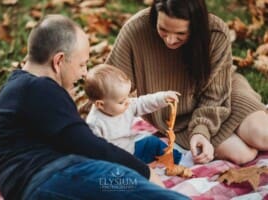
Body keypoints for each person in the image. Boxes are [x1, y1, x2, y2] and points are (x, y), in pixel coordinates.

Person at [0, 14, 189, 200]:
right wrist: (145, 172)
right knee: (125, 182)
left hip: (28, 186)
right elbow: (88, 145)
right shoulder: (40, 88)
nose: (84, 74)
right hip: (51, 177)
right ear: (59, 61)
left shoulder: (19, 87)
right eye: (82, 64)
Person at [106, 0, 268, 165]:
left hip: (224, 93)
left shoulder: (215, 33)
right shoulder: (136, 30)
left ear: (196, 26)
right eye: (163, 29)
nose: (170, 40)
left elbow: (216, 93)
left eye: (180, 34)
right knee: (241, 154)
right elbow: (109, 84)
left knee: (262, 135)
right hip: (177, 116)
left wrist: (201, 130)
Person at [84, 64, 182, 164]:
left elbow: (143, 102)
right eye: (121, 101)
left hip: (132, 150)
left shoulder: (125, 104)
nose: (128, 102)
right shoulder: (95, 124)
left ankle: (180, 160)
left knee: (152, 142)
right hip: (117, 163)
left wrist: (163, 98)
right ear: (100, 104)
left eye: (128, 96)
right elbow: (96, 153)